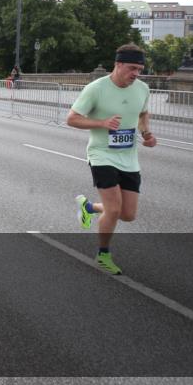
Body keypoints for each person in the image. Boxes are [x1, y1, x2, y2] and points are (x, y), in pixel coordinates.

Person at [67, 43, 156, 276]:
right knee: (114, 209)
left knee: (128, 214)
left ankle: (88, 207)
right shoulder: (96, 89)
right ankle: (103, 255)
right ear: (117, 65)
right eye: (131, 68)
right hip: (101, 154)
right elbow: (72, 119)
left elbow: (143, 113)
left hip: (129, 157)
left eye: (139, 69)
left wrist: (146, 133)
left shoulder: (142, 89)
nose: (136, 73)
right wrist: (101, 123)